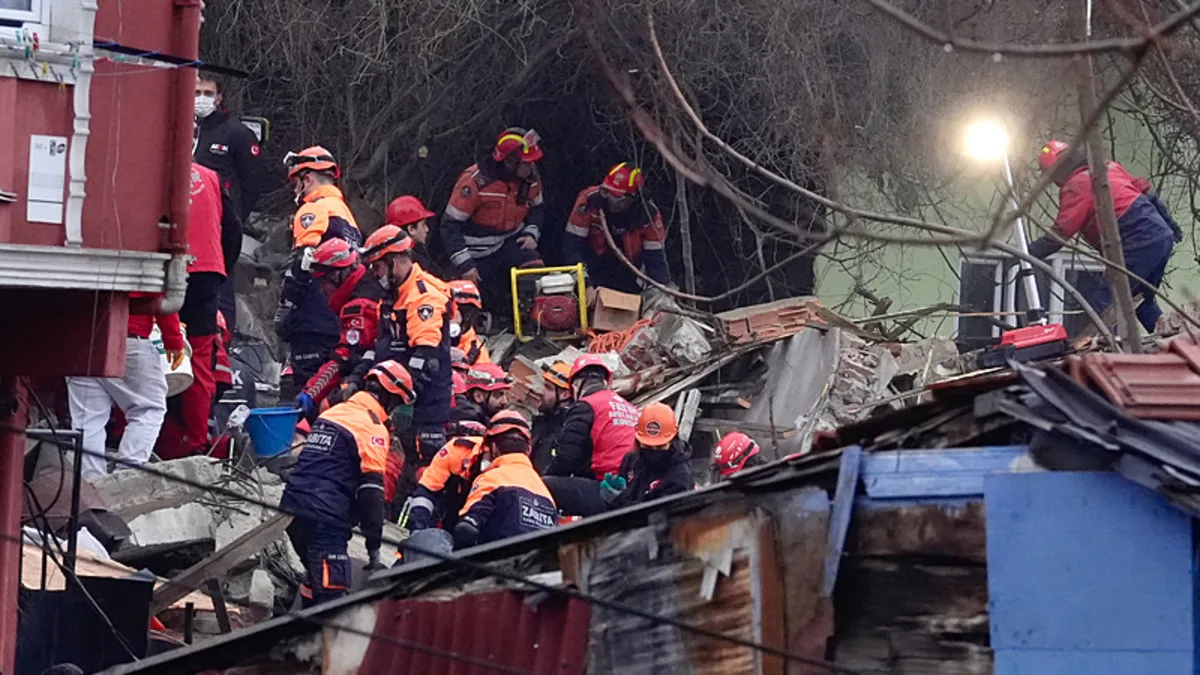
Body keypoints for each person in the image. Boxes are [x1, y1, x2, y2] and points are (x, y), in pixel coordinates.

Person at [280, 360, 415, 608]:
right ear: (390, 398)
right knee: (333, 598)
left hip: (292, 508)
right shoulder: (372, 427)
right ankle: (320, 644)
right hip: (325, 518)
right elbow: (372, 493)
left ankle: (297, 639)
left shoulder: (332, 413)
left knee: (315, 578)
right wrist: (373, 547)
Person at [1030, 140, 1181, 332]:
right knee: (1141, 299)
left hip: (1137, 238)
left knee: (1105, 303)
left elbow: (1061, 233)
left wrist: (1028, 253)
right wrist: (1170, 223)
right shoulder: (1109, 168)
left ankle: (1104, 352)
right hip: (1161, 236)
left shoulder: (1076, 185)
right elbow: (1146, 190)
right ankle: (1168, 338)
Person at [363, 225, 455, 510]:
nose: (375, 275)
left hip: (424, 406)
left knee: (423, 477)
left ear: (394, 261)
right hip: (396, 401)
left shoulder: (423, 296)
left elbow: (424, 358)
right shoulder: (392, 297)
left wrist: (405, 400)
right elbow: (382, 347)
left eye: (378, 268)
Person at [157, 163, 242, 460]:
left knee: (153, 349)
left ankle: (140, 433)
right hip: (206, 273)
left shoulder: (152, 167)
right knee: (201, 358)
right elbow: (233, 231)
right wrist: (220, 270)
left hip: (162, 270)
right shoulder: (212, 177)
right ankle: (195, 440)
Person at [275, 146, 362, 399]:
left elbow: (304, 258)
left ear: (308, 179)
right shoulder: (347, 216)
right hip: (337, 319)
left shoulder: (315, 208)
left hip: (311, 320)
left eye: (297, 182)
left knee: (303, 390)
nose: (295, 190)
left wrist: (286, 306)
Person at [67, 301, 185, 478]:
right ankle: (126, 476)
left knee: (87, 420)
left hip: (80, 341)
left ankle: (90, 483)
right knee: (148, 409)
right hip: (128, 339)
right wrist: (174, 340)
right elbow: (163, 300)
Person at [441, 127, 546, 311]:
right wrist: (466, 265)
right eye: (527, 163)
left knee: (534, 270)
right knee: (461, 300)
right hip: (474, 251)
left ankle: (534, 321)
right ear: (510, 162)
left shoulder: (531, 178)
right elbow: (450, 226)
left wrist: (531, 233)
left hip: (510, 242)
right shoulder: (474, 182)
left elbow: (538, 209)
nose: (532, 167)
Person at [193, 74, 263, 329]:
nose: (201, 99)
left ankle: (224, 342)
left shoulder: (236, 133)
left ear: (219, 97)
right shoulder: (181, 127)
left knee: (221, 285)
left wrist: (235, 219)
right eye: (197, 92)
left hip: (220, 225)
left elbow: (253, 182)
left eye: (208, 93)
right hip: (185, 222)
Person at [294, 238, 387, 420]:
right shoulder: (366, 284)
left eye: (323, 281)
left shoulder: (359, 306)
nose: (322, 288)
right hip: (379, 373)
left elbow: (344, 358)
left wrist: (310, 393)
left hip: (374, 381)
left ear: (338, 275)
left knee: (326, 409)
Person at [542, 355, 639, 516]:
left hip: (607, 489)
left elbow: (567, 458)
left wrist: (542, 479)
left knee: (543, 487)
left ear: (575, 385)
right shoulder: (630, 408)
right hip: (633, 488)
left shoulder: (587, 406)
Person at [453, 410, 557, 549]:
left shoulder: (492, 479)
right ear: (528, 449)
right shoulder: (546, 493)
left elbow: (466, 530)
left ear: (493, 447)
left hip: (496, 564)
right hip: (534, 567)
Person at [562, 162, 670, 294]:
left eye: (617, 197)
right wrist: (585, 284)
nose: (610, 199)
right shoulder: (590, 201)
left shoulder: (648, 215)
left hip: (629, 271)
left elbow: (656, 262)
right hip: (592, 266)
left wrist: (661, 293)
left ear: (634, 197)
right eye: (607, 192)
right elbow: (571, 248)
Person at [602, 402, 695, 509]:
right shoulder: (631, 460)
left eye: (660, 447)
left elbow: (659, 517)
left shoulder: (680, 477)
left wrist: (620, 501)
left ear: (672, 440)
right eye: (647, 446)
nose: (653, 451)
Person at [386, 195, 443, 278]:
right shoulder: (415, 263)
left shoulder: (388, 258)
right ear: (411, 229)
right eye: (423, 225)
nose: (427, 229)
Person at [531, 361, 572, 472]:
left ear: (565, 395)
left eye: (548, 388)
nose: (541, 392)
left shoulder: (566, 428)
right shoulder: (545, 421)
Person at [448, 280, 492, 366]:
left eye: (465, 310)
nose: (457, 314)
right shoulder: (423, 336)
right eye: (453, 308)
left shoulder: (476, 349)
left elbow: (485, 375)